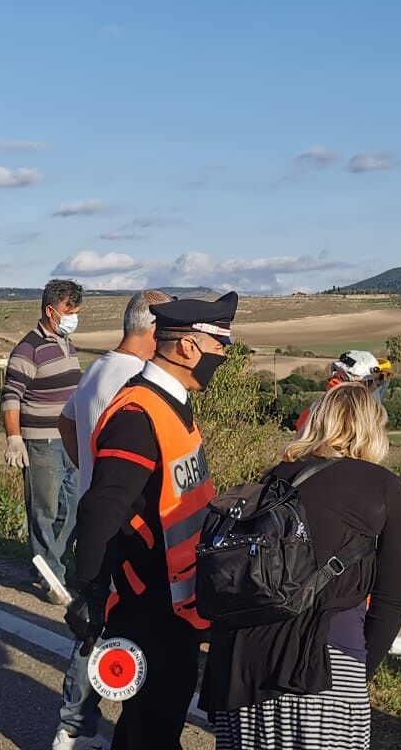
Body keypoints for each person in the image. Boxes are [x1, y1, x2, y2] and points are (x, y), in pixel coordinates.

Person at [66, 291, 239, 750]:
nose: (223, 356)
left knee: (156, 722)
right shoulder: (139, 414)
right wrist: (90, 591)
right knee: (152, 726)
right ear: (187, 347)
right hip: (149, 601)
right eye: (221, 345)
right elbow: (102, 507)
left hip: (176, 598)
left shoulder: (171, 403)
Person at [203, 382, 401, 749]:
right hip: (322, 661)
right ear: (372, 429)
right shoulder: (382, 485)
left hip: (242, 663)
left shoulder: (276, 477)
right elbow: (393, 599)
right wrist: (359, 669)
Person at [51, 289, 174, 750]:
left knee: (94, 625)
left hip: (96, 513)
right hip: (119, 526)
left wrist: (89, 471)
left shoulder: (99, 367)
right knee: (104, 631)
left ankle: (75, 724)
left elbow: (65, 424)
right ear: (154, 329)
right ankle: (77, 727)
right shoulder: (138, 380)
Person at [4, 279, 85, 604]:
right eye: (69, 310)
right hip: (42, 444)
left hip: (71, 441)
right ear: (51, 310)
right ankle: (51, 578)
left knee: (75, 507)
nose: (74, 317)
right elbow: (11, 397)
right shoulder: (28, 349)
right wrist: (14, 439)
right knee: (44, 511)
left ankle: (55, 567)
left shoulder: (68, 344)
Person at [293, 349, 392, 431]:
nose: (374, 391)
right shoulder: (337, 418)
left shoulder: (323, 409)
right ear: (353, 384)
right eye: (371, 384)